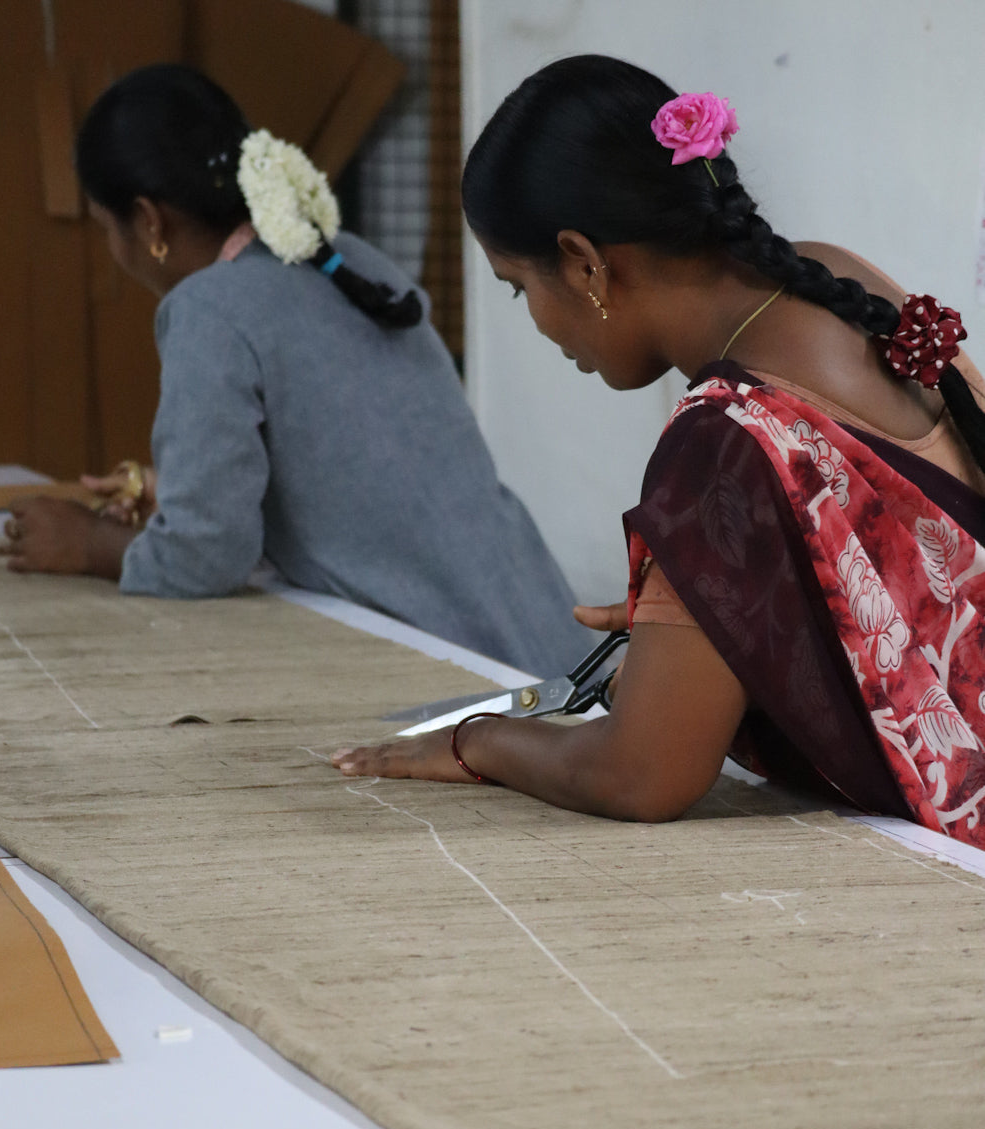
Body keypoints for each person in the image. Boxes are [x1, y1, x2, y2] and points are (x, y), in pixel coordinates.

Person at [332, 54, 985, 853]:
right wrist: (711, 600)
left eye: (517, 285)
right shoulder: (833, 277)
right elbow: (905, 569)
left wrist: (480, 741)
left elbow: (643, 776)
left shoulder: (723, 438)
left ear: (584, 261)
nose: (532, 317)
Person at [0, 63, 591, 678]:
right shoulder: (350, 260)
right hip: (545, 639)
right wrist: (173, 488)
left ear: (150, 222)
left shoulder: (208, 311)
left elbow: (204, 554)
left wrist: (89, 545)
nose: (114, 250)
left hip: (447, 670)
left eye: (106, 228)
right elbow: (363, 465)